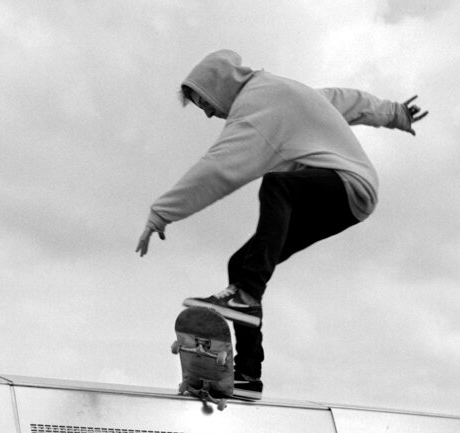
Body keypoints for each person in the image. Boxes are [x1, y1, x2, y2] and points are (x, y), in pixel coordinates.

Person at [136, 49, 426, 399]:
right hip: (344, 203)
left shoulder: (257, 109)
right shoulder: (288, 93)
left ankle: (245, 298)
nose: (210, 113)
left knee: (277, 186)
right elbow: (345, 101)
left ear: (220, 86)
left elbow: (218, 166)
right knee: (241, 264)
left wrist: (162, 212)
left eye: (206, 103)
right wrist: (393, 113)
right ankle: (247, 376)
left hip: (344, 185)